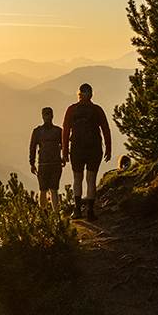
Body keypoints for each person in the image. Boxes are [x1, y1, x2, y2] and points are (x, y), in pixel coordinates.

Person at [61, 83, 112, 220]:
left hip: (77, 149)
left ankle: (77, 210)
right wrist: (108, 148)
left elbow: (66, 131)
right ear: (91, 94)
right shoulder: (97, 110)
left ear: (79, 94)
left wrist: (65, 150)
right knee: (91, 179)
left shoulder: (72, 110)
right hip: (94, 148)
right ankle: (90, 211)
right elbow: (105, 129)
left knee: (77, 179)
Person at [29, 107, 64, 206]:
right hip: (50, 163)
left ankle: (48, 215)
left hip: (47, 164)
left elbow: (32, 148)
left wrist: (32, 163)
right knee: (48, 189)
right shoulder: (58, 131)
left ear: (52, 116)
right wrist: (32, 163)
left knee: (49, 189)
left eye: (48, 114)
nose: (47, 117)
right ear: (43, 116)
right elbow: (32, 148)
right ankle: (50, 215)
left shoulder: (38, 131)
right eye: (46, 114)